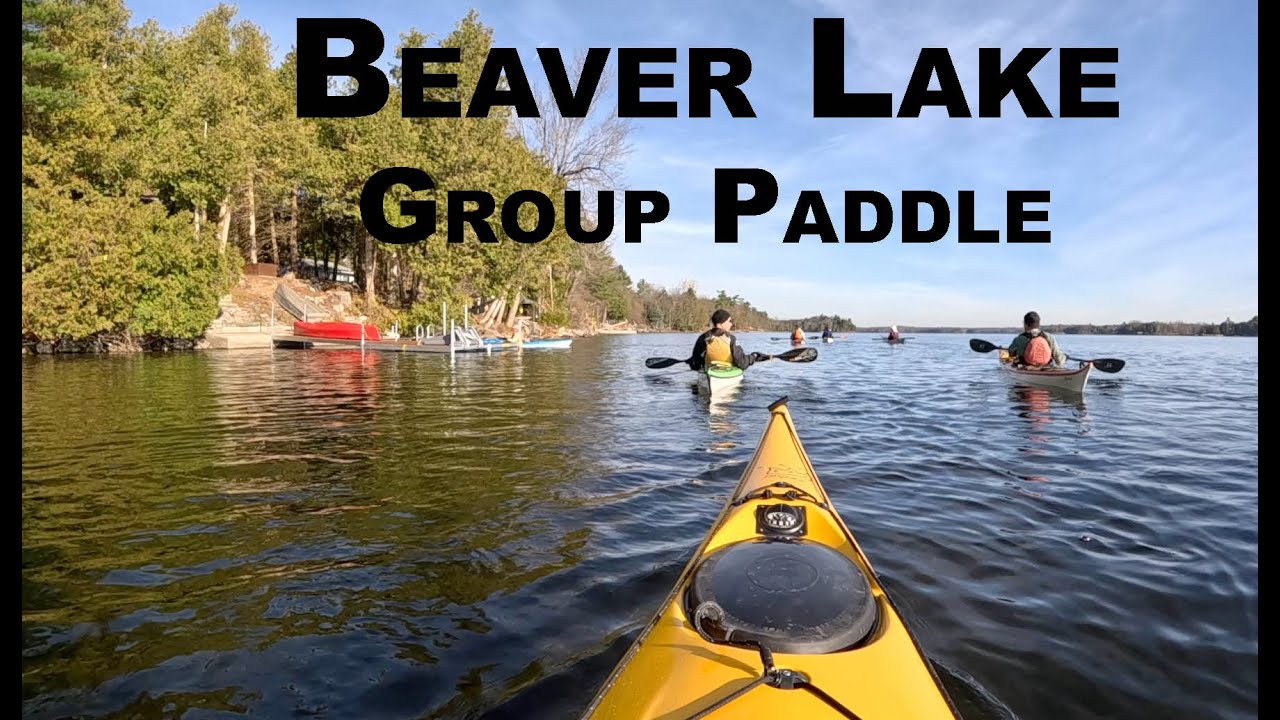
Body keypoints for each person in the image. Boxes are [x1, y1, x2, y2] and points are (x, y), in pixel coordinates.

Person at [690, 309, 763, 372]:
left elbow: (696, 363)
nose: (731, 324)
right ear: (720, 324)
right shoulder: (731, 338)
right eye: (729, 321)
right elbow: (742, 363)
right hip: (726, 371)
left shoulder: (703, 337)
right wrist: (753, 357)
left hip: (709, 371)